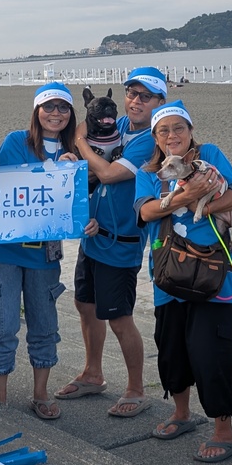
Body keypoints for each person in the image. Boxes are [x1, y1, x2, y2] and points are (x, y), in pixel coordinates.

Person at [135, 101, 232, 463]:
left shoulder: (210, 155)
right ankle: (181, 414)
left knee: (211, 351)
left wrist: (203, 201)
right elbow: (145, 211)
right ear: (155, 137)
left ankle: (223, 429)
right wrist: (185, 196)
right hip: (168, 274)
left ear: (190, 129)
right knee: (172, 351)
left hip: (212, 273)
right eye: (163, 131)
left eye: (178, 128)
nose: (172, 136)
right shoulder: (149, 171)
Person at [54, 67, 165, 417]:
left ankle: (135, 388)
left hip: (122, 242)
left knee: (120, 318)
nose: (135, 101)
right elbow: (86, 126)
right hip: (93, 238)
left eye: (144, 97)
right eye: (131, 94)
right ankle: (92, 373)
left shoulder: (151, 139)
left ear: (160, 102)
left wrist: (81, 144)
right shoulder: (118, 127)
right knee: (85, 307)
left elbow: (107, 173)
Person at [0, 82, 82, 420]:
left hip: (45, 255)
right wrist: (55, 171)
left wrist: (87, 221)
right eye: (48, 107)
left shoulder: (77, 152)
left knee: (44, 325)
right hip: (3, 251)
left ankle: (41, 394)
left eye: (63, 108)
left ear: (71, 114)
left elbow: (76, 204)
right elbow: (14, 185)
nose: (56, 114)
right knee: (4, 325)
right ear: (36, 111)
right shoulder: (15, 142)